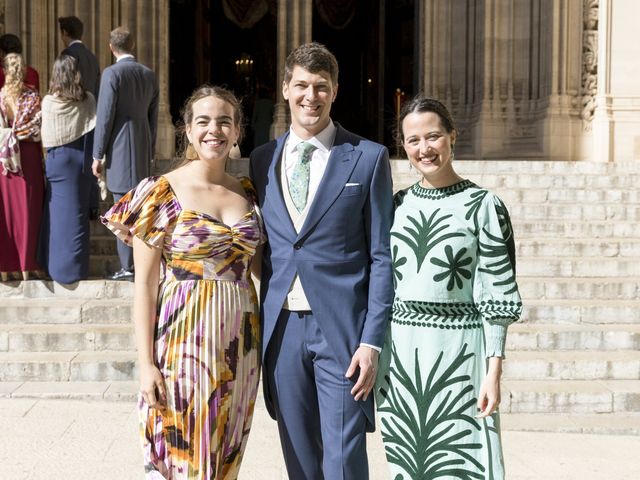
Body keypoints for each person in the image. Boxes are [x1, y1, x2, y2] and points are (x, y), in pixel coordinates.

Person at [101, 85, 264, 479]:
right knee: (184, 455)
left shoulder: (247, 192)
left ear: (238, 131)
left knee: (226, 454)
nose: (215, 130)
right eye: (204, 121)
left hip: (240, 345)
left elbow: (260, 269)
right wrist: (146, 365)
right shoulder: (160, 191)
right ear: (187, 131)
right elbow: (144, 285)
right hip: (183, 343)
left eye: (225, 121)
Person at [249, 42, 393, 479]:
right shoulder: (261, 160)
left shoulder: (368, 157)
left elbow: (382, 257)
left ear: (335, 91)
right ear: (286, 89)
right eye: (302, 86)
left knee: (344, 459)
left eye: (321, 87)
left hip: (342, 332)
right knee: (299, 456)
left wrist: (371, 342)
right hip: (283, 331)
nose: (311, 96)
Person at [375, 96, 523, 479]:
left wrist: (493, 371)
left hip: (459, 355)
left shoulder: (484, 205)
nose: (424, 148)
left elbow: (497, 293)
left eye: (433, 136)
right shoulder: (397, 205)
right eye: (413, 140)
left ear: (452, 137)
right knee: (409, 461)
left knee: (462, 460)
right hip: (402, 356)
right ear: (403, 146)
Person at [92, 26, 159, 281]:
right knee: (140, 208)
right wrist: (150, 149)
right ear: (133, 46)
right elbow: (153, 118)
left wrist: (97, 155)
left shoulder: (111, 73)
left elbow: (105, 117)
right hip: (141, 148)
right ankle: (139, 263)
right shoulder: (149, 74)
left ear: (111, 47)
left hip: (119, 149)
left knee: (121, 208)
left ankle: (127, 266)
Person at [39, 54, 96, 284]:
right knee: (78, 214)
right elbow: (92, 131)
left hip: (58, 159)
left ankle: (56, 269)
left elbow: (47, 137)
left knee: (57, 215)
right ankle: (77, 269)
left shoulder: (48, 102)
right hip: (79, 159)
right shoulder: (88, 99)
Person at [0, 53, 43, 281]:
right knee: (29, 211)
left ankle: (7, 268)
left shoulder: (1, 95)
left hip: (7, 159)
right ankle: (27, 265)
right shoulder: (32, 94)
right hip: (27, 156)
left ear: (6, 70)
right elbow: (37, 129)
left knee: (9, 213)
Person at [58, 16, 100, 97]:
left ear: (64, 32)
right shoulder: (92, 57)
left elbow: (63, 82)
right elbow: (97, 88)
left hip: (75, 105)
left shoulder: (68, 53)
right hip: (91, 107)